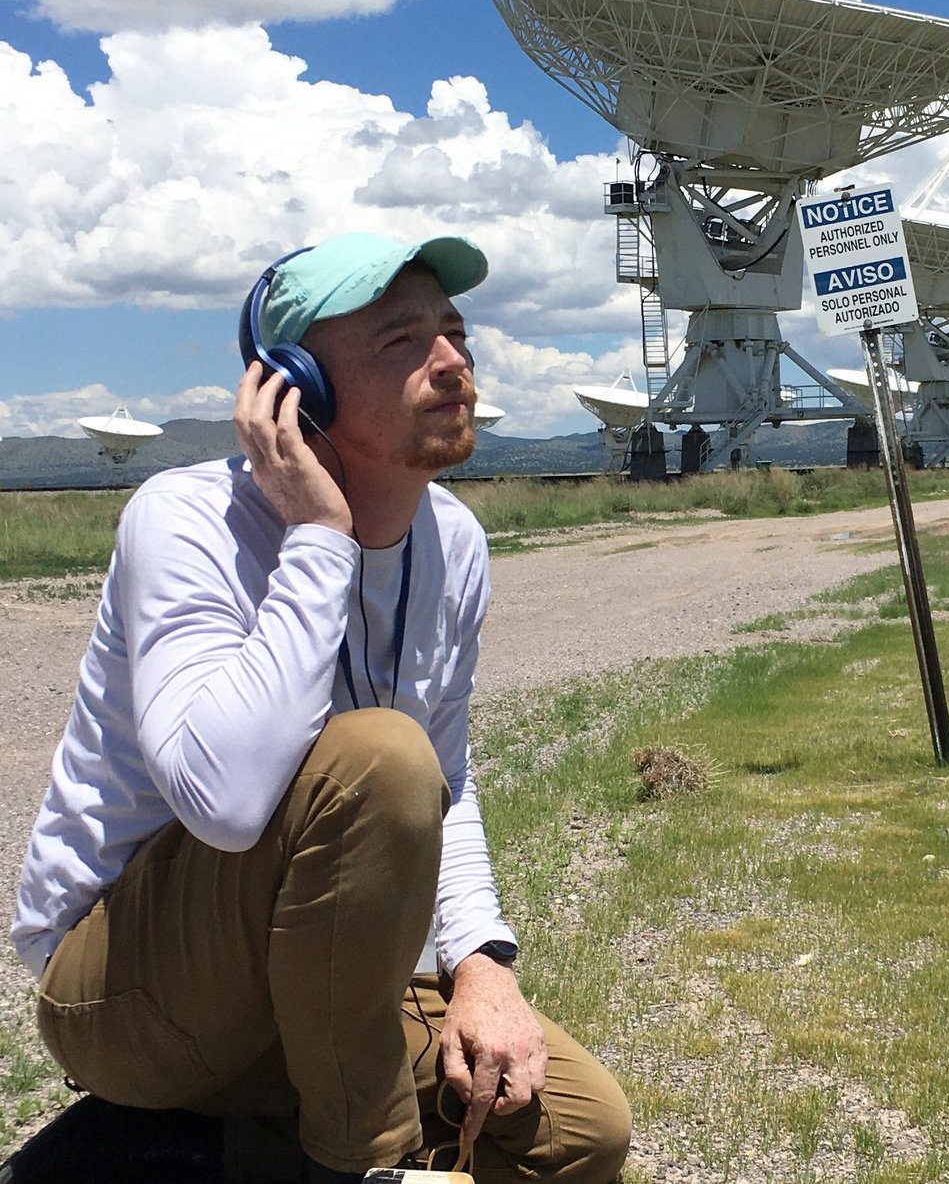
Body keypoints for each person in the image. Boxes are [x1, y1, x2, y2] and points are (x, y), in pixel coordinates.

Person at [9, 233, 631, 1183]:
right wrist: (320, 536)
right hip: (133, 997)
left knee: (579, 1132)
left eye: (455, 331)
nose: (453, 358)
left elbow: (449, 777)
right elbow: (223, 800)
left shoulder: (455, 542)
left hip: (321, 988)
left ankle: (269, 1140)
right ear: (298, 389)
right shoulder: (184, 522)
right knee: (378, 757)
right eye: (402, 340)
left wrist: (479, 964)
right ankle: (361, 1163)